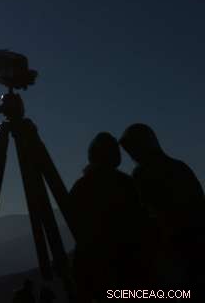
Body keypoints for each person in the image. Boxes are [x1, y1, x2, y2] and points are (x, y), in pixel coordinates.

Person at [119, 123, 205, 288]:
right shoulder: (180, 167)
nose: (131, 155)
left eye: (132, 149)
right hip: (194, 245)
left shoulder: (141, 174)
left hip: (169, 251)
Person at [69, 132, 147, 302]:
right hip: (125, 265)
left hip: (91, 266)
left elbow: (72, 219)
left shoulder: (81, 186)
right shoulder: (126, 184)